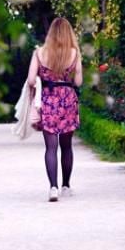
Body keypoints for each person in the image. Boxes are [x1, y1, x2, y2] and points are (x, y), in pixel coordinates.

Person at [26, 17, 83, 202]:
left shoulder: (39, 53)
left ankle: (53, 187)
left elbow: (31, 80)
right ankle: (66, 185)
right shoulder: (74, 53)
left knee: (51, 147)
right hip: (67, 99)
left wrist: (42, 81)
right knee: (66, 146)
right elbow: (78, 82)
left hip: (49, 99)